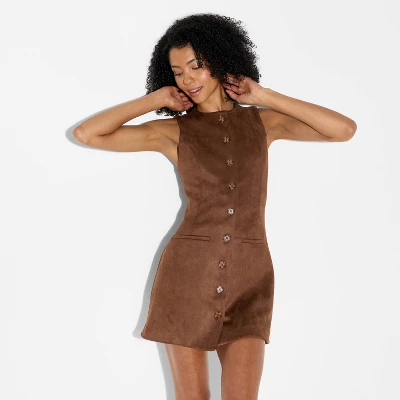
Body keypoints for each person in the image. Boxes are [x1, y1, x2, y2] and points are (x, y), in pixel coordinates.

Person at [73, 12, 357, 400]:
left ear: (221, 62)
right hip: (187, 278)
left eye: (197, 66)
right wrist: (155, 100)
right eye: (177, 72)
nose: (187, 79)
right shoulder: (172, 131)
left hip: (250, 280)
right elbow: (87, 134)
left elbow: (343, 129)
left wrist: (263, 96)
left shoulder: (263, 124)